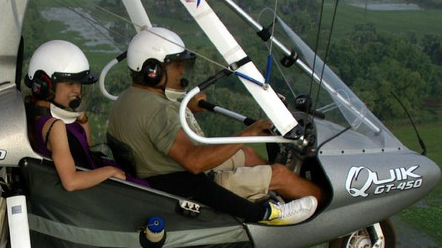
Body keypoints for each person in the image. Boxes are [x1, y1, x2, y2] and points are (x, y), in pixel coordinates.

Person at [107, 27, 320, 225]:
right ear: (152, 71)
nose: (181, 70)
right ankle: (324, 207)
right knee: (279, 174)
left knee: (246, 154)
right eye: (175, 65)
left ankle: (275, 191)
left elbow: (151, 127)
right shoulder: (159, 111)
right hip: (193, 186)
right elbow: (194, 162)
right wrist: (248, 133)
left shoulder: (129, 98)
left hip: (164, 173)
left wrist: (184, 107)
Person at [24, 40, 128, 191]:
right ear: (45, 85)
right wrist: (110, 171)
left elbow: (85, 150)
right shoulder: (56, 126)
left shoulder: (39, 115)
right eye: (70, 83)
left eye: (79, 84)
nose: (77, 90)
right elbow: (71, 182)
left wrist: (80, 117)